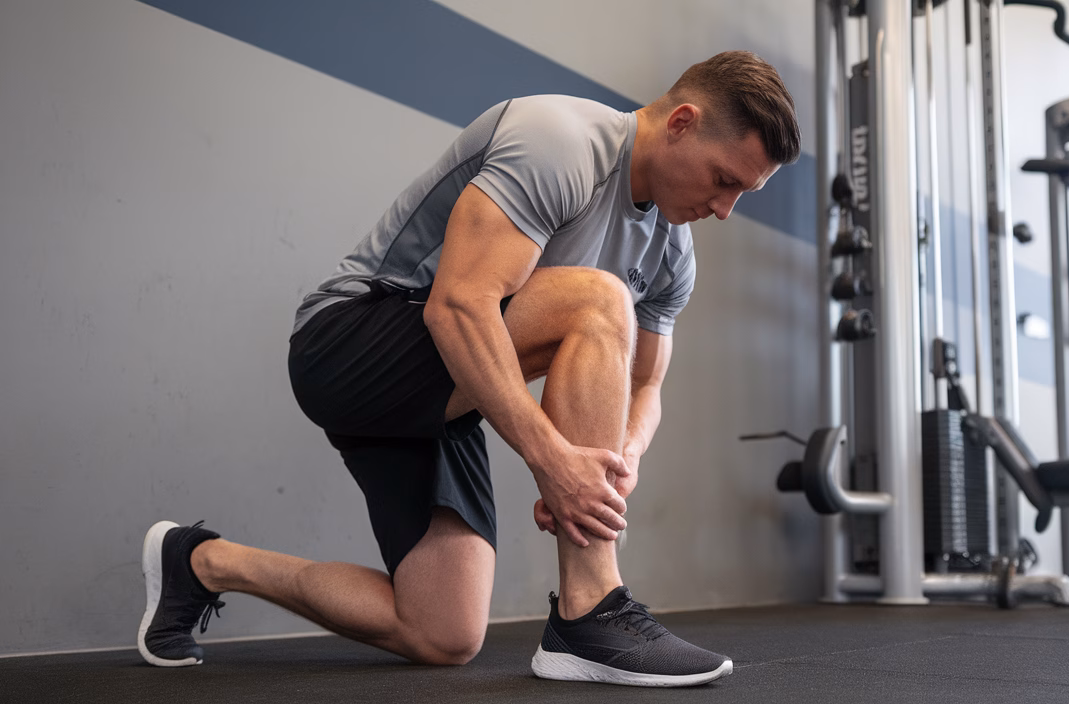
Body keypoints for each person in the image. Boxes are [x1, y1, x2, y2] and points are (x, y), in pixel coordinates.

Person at [137, 50, 800, 687]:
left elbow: (645, 384)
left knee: (443, 633)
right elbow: (458, 306)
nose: (724, 210)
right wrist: (551, 459)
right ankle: (591, 609)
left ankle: (201, 562)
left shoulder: (671, 252)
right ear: (681, 123)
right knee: (598, 297)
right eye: (724, 180)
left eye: (743, 193)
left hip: (444, 392)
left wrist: (609, 466)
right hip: (349, 341)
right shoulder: (562, 141)